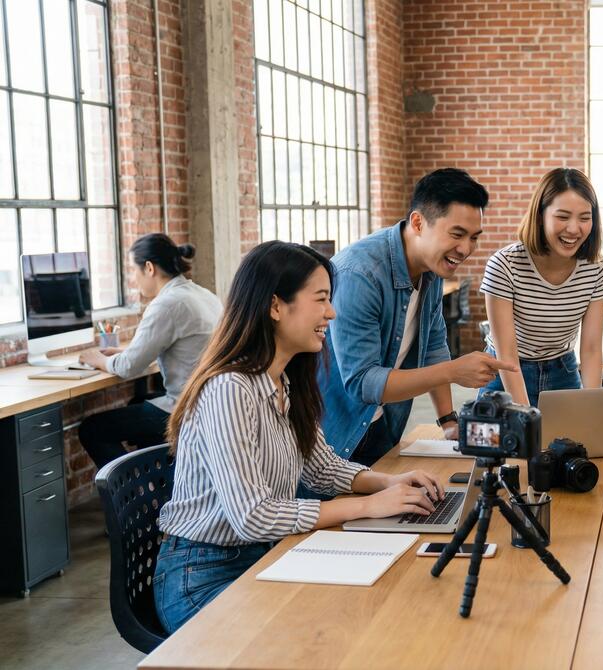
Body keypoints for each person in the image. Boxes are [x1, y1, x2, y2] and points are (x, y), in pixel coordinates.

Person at [154, 241, 444, 633]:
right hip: (202, 572)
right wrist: (368, 505)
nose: (332, 312)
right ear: (275, 306)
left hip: (267, 552)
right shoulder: (229, 389)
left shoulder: (284, 380)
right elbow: (252, 516)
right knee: (314, 638)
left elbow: (322, 467)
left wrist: (390, 482)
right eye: (321, 299)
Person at [318, 168, 517, 466]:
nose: (466, 249)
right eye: (457, 234)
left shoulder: (431, 267)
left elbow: (434, 345)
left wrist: (448, 422)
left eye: (474, 237)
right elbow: (363, 383)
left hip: (381, 426)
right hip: (333, 436)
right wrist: (453, 371)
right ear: (418, 222)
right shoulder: (359, 274)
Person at [77, 234, 222, 469]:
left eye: (134, 271)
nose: (134, 280)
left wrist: (98, 360)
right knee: (138, 400)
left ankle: (134, 495)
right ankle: (162, 484)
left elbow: (127, 367)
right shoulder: (202, 294)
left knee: (93, 429)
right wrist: (123, 352)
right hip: (211, 404)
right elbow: (173, 346)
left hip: (186, 409)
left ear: (149, 268)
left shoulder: (167, 303)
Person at [479, 168, 603, 407]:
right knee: (517, 440)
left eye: (584, 218)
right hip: (506, 371)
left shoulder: (596, 268)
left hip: (562, 370)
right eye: (562, 217)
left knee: (580, 440)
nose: (574, 229)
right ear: (540, 216)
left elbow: (591, 350)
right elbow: (507, 354)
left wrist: (592, 407)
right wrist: (526, 416)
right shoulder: (504, 264)